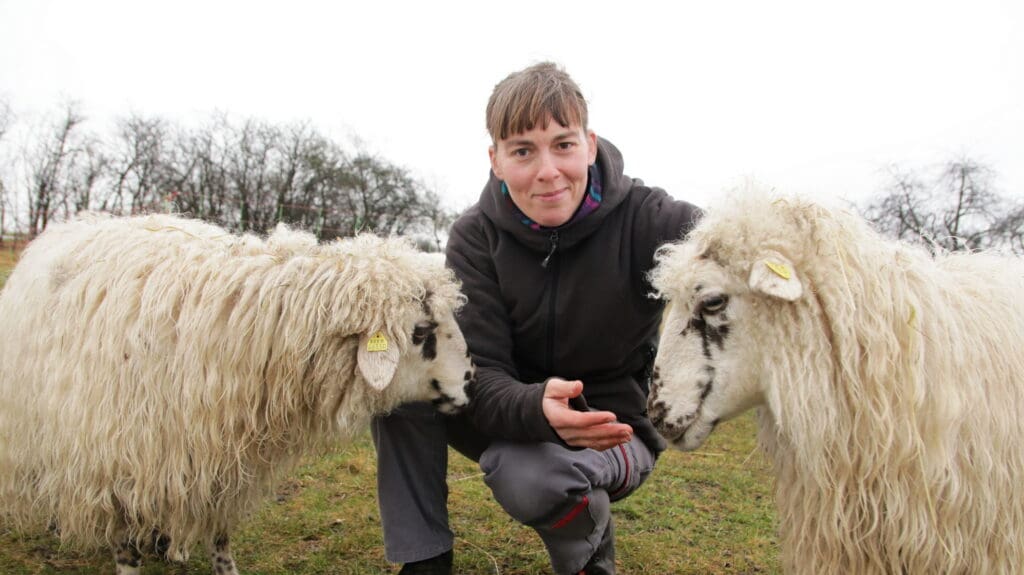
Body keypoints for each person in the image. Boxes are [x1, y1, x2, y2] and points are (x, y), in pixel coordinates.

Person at [371, 61, 701, 575]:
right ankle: (425, 561)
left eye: (563, 145)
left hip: (613, 427)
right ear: (496, 160)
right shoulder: (475, 237)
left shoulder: (650, 218)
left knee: (532, 477)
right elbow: (480, 371)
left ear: (589, 145)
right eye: (523, 150)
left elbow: (735, 246)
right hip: (507, 412)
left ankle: (589, 554)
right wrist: (537, 406)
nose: (548, 171)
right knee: (402, 387)